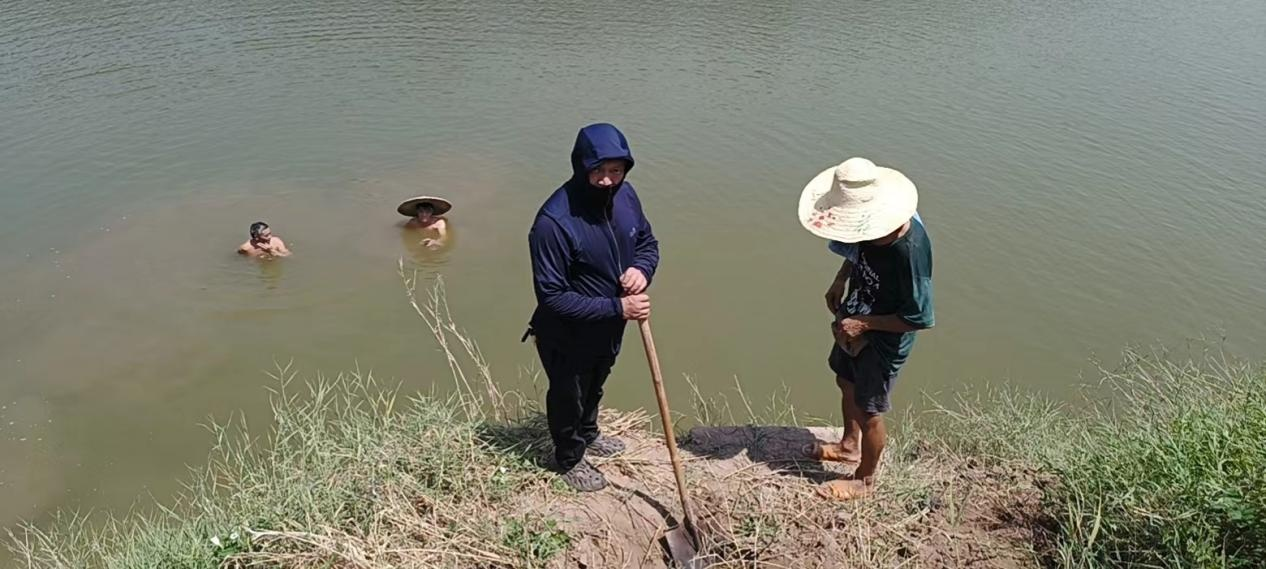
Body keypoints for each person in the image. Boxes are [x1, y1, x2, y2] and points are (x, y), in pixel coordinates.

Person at [526, 123, 660, 492]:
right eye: (597, 170)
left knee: (596, 382)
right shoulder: (553, 223)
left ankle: (588, 432)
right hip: (565, 333)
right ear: (580, 166)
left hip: (610, 325)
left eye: (615, 170)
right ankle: (569, 457)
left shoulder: (627, 197)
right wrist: (619, 308)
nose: (606, 180)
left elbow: (647, 243)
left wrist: (641, 270)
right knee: (568, 394)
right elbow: (552, 296)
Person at [797, 157, 934, 500]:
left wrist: (865, 324)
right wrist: (840, 278)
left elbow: (919, 318)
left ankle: (865, 481)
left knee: (870, 409)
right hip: (857, 315)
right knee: (845, 381)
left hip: (884, 337)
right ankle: (848, 446)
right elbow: (857, 247)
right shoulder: (868, 231)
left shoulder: (909, 254)